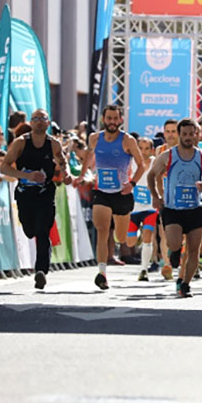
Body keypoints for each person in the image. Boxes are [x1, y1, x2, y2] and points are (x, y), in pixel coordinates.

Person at [77, 105, 147, 290]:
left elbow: (141, 165)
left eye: (116, 118)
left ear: (121, 120)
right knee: (102, 230)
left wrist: (131, 184)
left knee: (120, 236)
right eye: (109, 118)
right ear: (103, 119)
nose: (112, 122)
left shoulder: (128, 140)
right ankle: (101, 273)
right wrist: (83, 175)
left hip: (122, 194)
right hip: (101, 192)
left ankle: (124, 238)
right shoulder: (94, 138)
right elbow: (88, 157)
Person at [0, 109, 69, 290]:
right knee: (30, 230)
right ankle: (40, 267)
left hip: (45, 194)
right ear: (31, 122)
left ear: (48, 122)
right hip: (25, 194)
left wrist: (66, 173)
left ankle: (41, 271)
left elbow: (62, 161)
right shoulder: (21, 142)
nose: (39, 122)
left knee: (43, 230)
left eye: (42, 119)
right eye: (35, 119)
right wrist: (25, 175)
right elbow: (4, 168)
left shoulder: (53, 144)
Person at [146, 118, 202, 297]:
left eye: (191, 134)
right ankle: (174, 251)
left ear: (197, 135)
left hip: (194, 208)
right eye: (184, 134)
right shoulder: (168, 156)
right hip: (172, 209)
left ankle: (185, 283)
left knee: (194, 249)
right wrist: (156, 196)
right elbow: (152, 175)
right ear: (179, 135)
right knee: (174, 242)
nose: (188, 137)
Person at [127, 137, 159, 281]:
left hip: (150, 207)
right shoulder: (131, 163)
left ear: (152, 150)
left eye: (147, 149)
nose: (144, 152)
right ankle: (136, 234)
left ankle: (144, 269)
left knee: (148, 237)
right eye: (141, 148)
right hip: (133, 207)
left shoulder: (155, 162)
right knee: (129, 242)